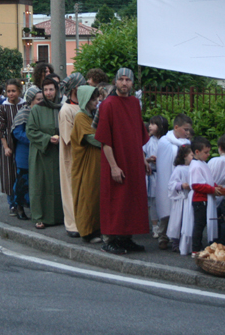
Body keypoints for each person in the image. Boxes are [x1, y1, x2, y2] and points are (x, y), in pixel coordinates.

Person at [94, 68, 150, 255]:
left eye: (128, 80)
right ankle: (109, 240)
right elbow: (105, 140)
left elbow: (137, 135)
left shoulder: (134, 103)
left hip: (133, 160)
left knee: (131, 199)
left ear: (132, 83)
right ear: (115, 81)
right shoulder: (108, 104)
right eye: (121, 79)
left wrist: (143, 159)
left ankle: (126, 238)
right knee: (115, 200)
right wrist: (113, 166)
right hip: (116, 160)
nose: (124, 83)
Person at [27, 77, 64, 229]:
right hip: (41, 153)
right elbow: (30, 131)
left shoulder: (62, 108)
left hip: (59, 152)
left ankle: (59, 216)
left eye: (51, 89)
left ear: (57, 91)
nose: (49, 93)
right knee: (40, 185)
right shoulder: (37, 109)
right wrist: (47, 139)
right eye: (46, 90)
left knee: (58, 184)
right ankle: (39, 216)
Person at [154, 114, 192, 250]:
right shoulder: (164, 141)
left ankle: (177, 239)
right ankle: (163, 237)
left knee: (180, 212)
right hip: (166, 180)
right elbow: (162, 163)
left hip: (181, 181)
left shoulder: (188, 144)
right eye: (185, 129)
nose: (187, 133)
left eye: (189, 130)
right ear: (176, 127)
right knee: (166, 210)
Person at [70, 85, 103, 244]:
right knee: (87, 196)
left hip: (96, 163)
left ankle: (97, 229)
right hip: (85, 164)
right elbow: (92, 139)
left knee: (96, 196)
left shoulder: (92, 115)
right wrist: (110, 142)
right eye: (93, 99)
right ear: (85, 100)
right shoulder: (80, 116)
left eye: (96, 98)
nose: (96, 101)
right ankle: (87, 231)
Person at [58, 72, 86, 237]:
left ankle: (84, 222)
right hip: (71, 157)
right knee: (70, 190)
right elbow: (68, 138)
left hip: (84, 156)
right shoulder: (66, 110)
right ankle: (72, 225)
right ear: (75, 88)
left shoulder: (84, 106)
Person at [11, 86, 41, 220]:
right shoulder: (24, 113)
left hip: (39, 151)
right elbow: (17, 133)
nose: (41, 101)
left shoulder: (42, 112)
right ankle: (19, 206)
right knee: (23, 181)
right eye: (38, 99)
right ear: (31, 100)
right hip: (24, 152)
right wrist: (34, 139)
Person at [0, 79, 25, 214]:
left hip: (22, 143)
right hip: (8, 143)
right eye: (8, 91)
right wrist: (6, 147)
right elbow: (0, 129)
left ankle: (22, 202)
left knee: (22, 173)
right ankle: (12, 203)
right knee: (9, 174)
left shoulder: (25, 105)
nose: (11, 94)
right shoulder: (3, 107)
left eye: (13, 91)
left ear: (19, 91)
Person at [143, 115, 168, 239]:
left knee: (163, 201)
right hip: (152, 174)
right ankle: (155, 226)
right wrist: (147, 160)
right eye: (150, 124)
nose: (150, 126)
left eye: (154, 124)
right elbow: (142, 154)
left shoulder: (166, 141)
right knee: (152, 201)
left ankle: (164, 225)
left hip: (163, 174)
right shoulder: (148, 141)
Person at [166, 144, 193, 252]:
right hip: (181, 199)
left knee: (188, 221)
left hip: (190, 199)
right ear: (185, 155)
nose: (193, 157)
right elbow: (171, 184)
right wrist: (181, 185)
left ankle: (187, 242)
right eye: (192, 155)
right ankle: (176, 242)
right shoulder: (179, 169)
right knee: (178, 221)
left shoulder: (194, 167)